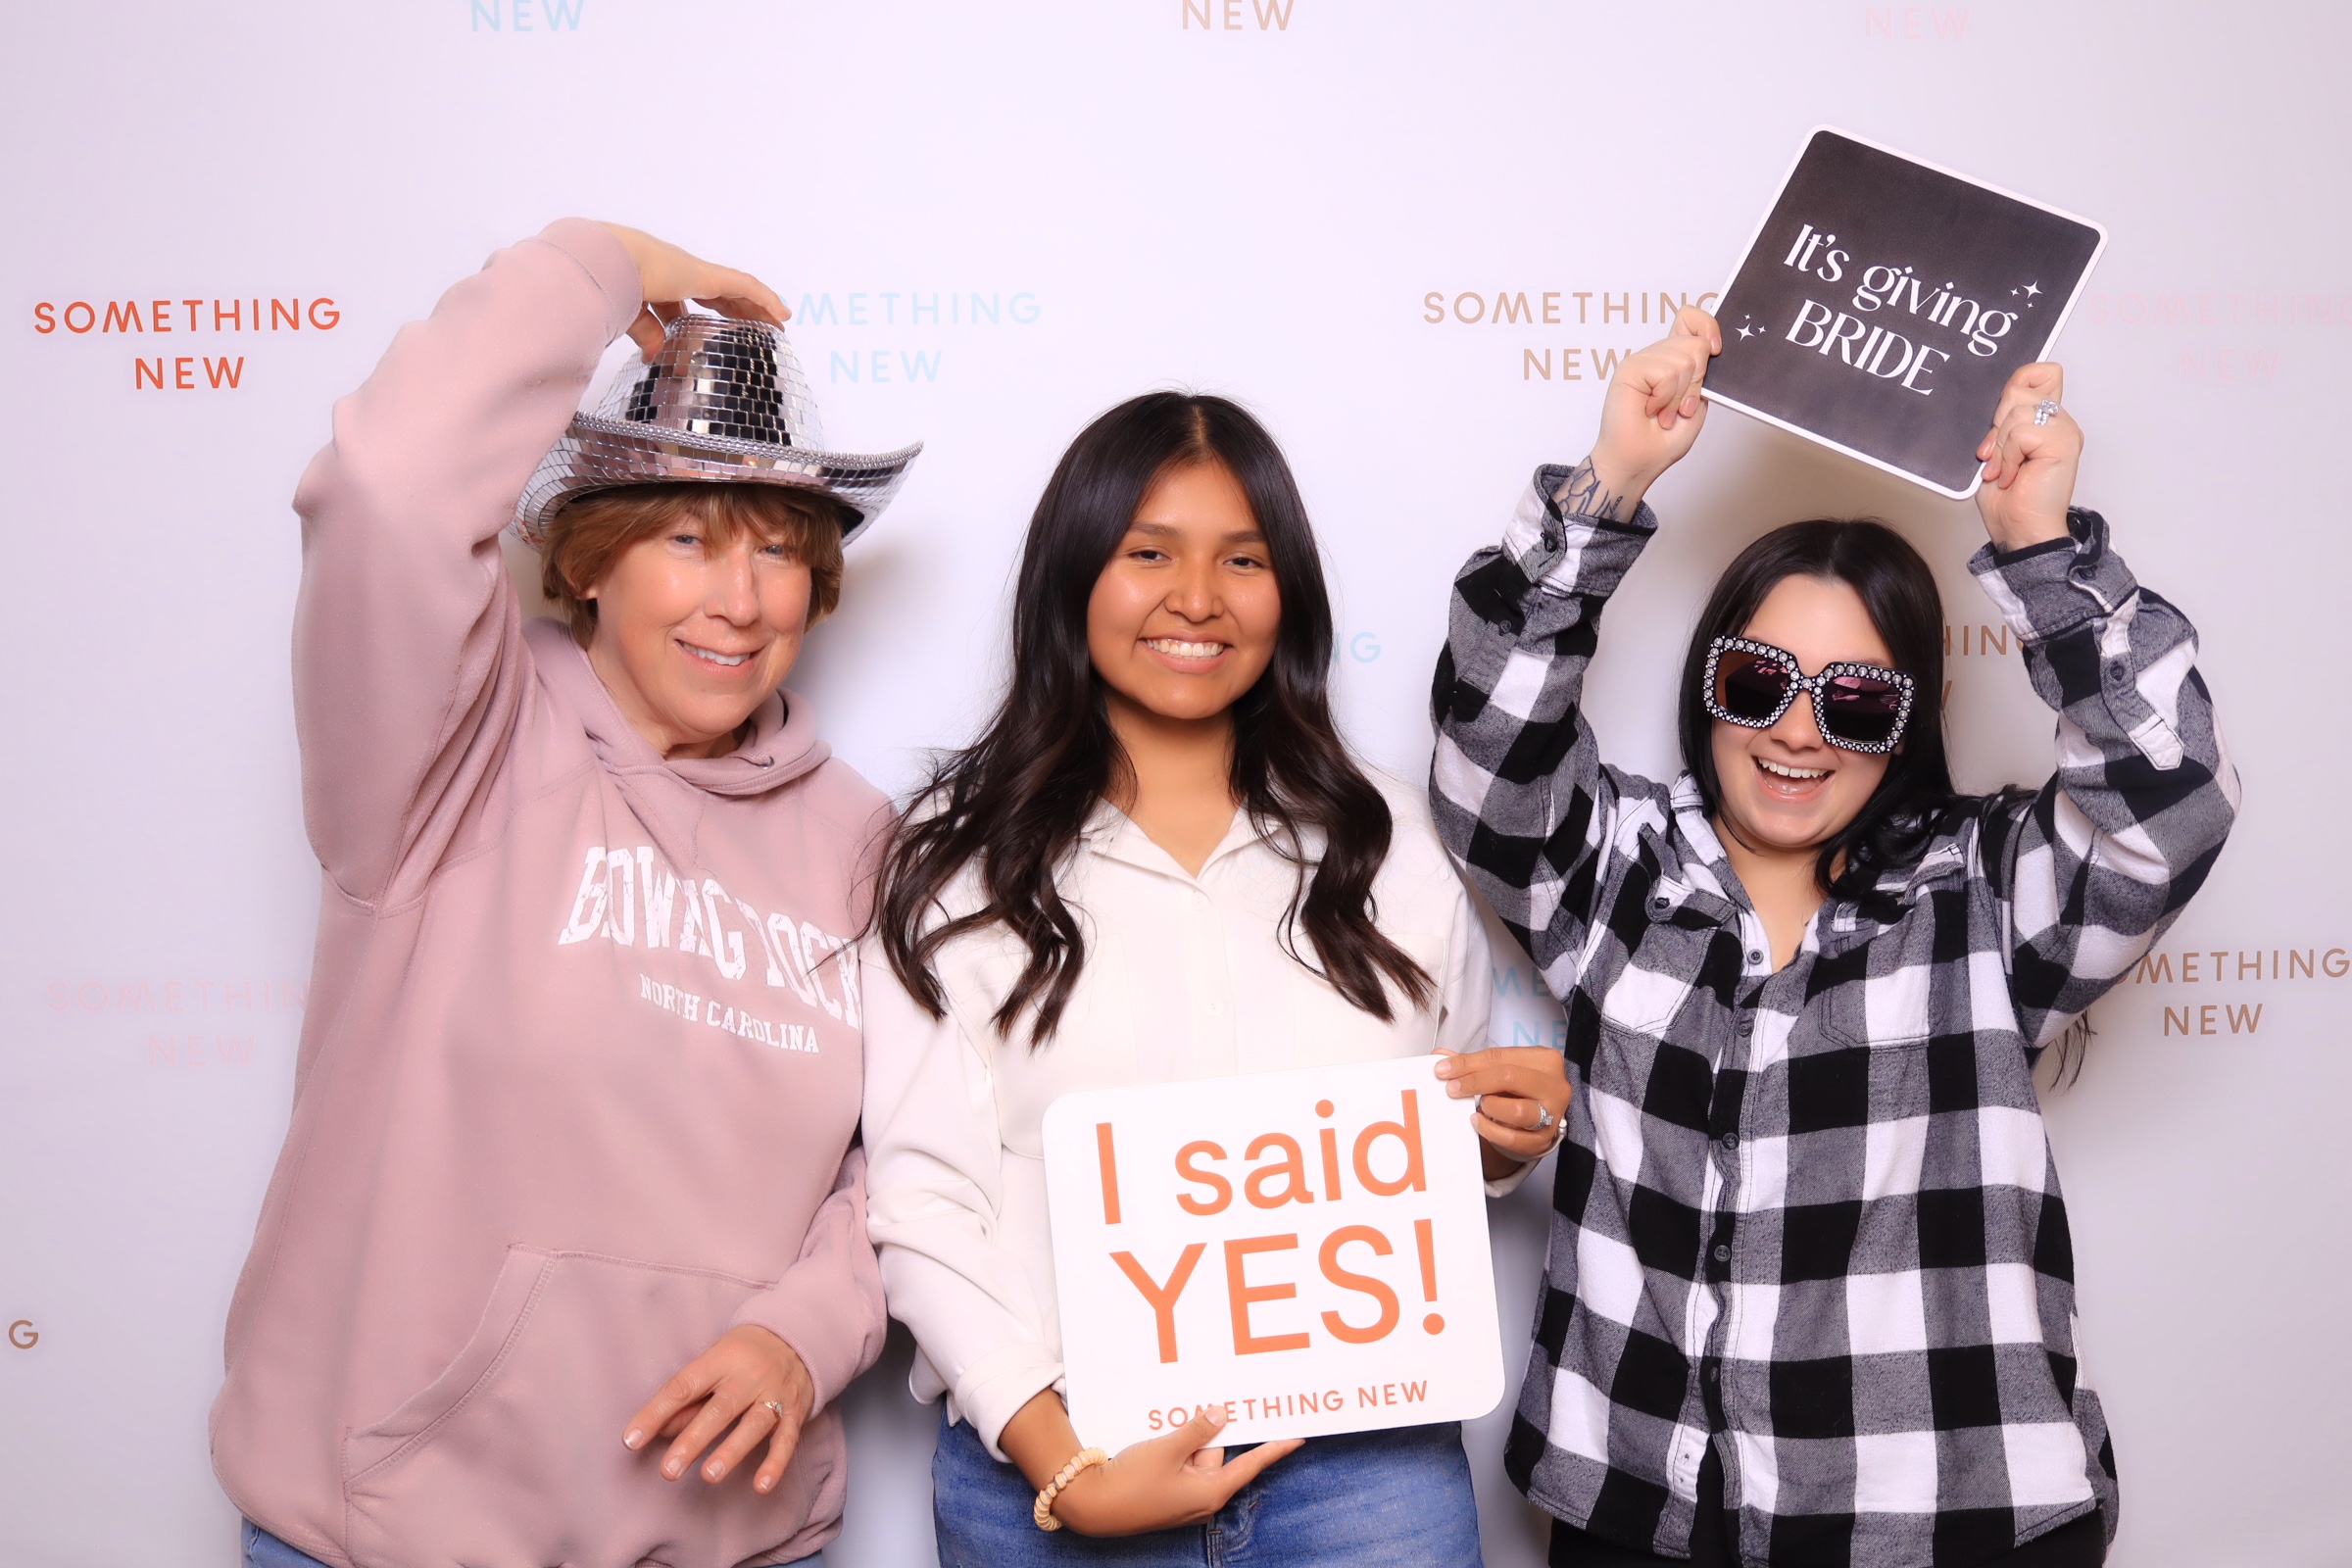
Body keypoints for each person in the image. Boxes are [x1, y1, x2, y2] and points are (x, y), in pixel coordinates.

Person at [1429, 310, 2236, 1568]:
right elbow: (1489, 746)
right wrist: (1613, 483)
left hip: (1948, 1523)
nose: (1797, 733)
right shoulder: (1613, 870)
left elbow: (2169, 805)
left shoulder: (1987, 893)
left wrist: (2039, 551)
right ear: (1709, 684)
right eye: (1759, 681)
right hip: (1645, 1513)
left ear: (1905, 722)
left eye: (1854, 699)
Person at [211, 219, 920, 1568]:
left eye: (779, 548)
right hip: (395, 1532)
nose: (738, 597)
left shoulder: (862, 841)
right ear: (589, 556)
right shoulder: (448, 744)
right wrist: (593, 266)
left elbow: (914, 1162)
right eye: (689, 539)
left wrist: (805, 1331)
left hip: (732, 1541)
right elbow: (389, 485)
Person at [859, 391, 1570, 1565]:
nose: (1198, 597)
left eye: (1242, 559)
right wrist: (1066, 1468)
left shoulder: (1389, 834)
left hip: (1366, 1483)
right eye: (1149, 554)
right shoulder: (952, 855)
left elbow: (1423, 1129)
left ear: (1285, 590)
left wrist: (1499, 1139)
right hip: (1059, 1460)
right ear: (1073, 577)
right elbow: (923, 1202)